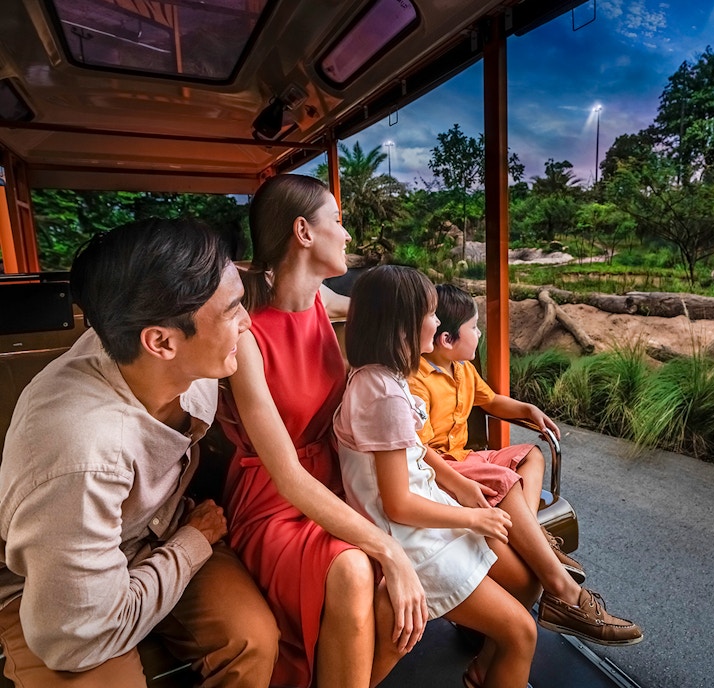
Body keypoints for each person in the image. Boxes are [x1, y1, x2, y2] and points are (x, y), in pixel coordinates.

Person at [0, 219, 279, 687]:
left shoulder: (152, 342)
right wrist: (191, 544)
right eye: (233, 311)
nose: (249, 324)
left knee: (252, 642)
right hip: (56, 592)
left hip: (157, 532)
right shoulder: (80, 453)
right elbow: (79, 637)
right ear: (162, 342)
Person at [217, 174, 426, 688]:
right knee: (360, 568)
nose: (348, 233)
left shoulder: (321, 302)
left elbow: (393, 316)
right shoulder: (245, 336)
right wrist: (387, 549)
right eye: (338, 220)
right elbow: (284, 473)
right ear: (304, 232)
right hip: (274, 497)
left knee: (426, 555)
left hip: (336, 480)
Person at [334, 265, 538, 688]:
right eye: (429, 313)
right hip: (412, 540)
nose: (435, 322)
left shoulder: (380, 378)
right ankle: (494, 668)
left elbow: (412, 460)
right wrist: (473, 519)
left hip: (427, 520)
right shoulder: (384, 395)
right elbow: (398, 504)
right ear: (403, 324)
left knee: (523, 580)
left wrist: (461, 488)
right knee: (522, 633)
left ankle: (488, 671)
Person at [408, 283, 584, 582]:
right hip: (441, 469)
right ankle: (537, 546)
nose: (479, 333)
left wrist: (527, 409)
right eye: (474, 327)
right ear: (447, 339)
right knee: (506, 478)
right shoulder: (416, 382)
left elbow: (490, 401)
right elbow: (418, 450)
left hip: (466, 458)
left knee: (530, 455)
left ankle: (530, 532)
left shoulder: (462, 368)